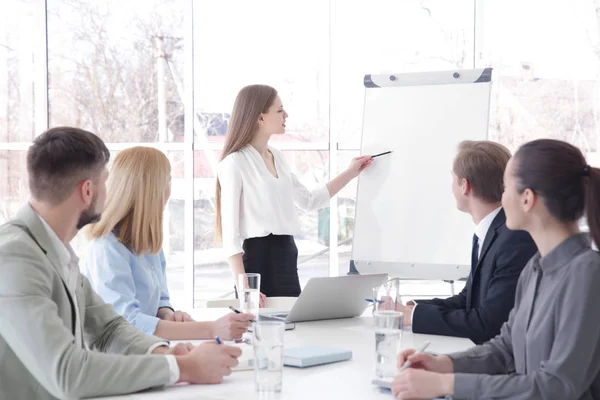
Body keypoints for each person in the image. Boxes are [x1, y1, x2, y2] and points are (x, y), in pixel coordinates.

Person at [0, 127, 242, 400]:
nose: (112, 189)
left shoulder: (57, 249)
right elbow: (67, 372)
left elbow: (109, 328)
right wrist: (182, 367)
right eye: (106, 179)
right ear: (88, 191)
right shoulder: (14, 257)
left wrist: (165, 352)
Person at [391, 138, 600, 400]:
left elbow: (556, 386)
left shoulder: (587, 274)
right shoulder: (534, 270)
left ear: (527, 199)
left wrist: (447, 385)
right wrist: (442, 364)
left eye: (505, 188)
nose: (500, 198)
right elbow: (505, 348)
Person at [216, 84, 372, 298]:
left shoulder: (277, 157)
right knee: (260, 328)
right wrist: (245, 288)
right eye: (279, 110)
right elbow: (230, 235)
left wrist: (351, 172)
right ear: (260, 118)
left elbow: (309, 201)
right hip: (257, 261)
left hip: (286, 254)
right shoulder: (234, 163)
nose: (286, 115)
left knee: (290, 328)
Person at [84, 146, 253, 340]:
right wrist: (212, 329)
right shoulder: (107, 248)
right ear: (150, 189)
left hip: (147, 350)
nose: (169, 189)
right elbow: (126, 322)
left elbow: (160, 299)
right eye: (167, 180)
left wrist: (167, 313)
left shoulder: (147, 243)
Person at [394, 140, 537, 344]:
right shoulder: (493, 229)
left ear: (464, 185)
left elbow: (489, 323)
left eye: (453, 179)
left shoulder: (514, 238)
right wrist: (413, 308)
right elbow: (468, 299)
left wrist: (413, 316)